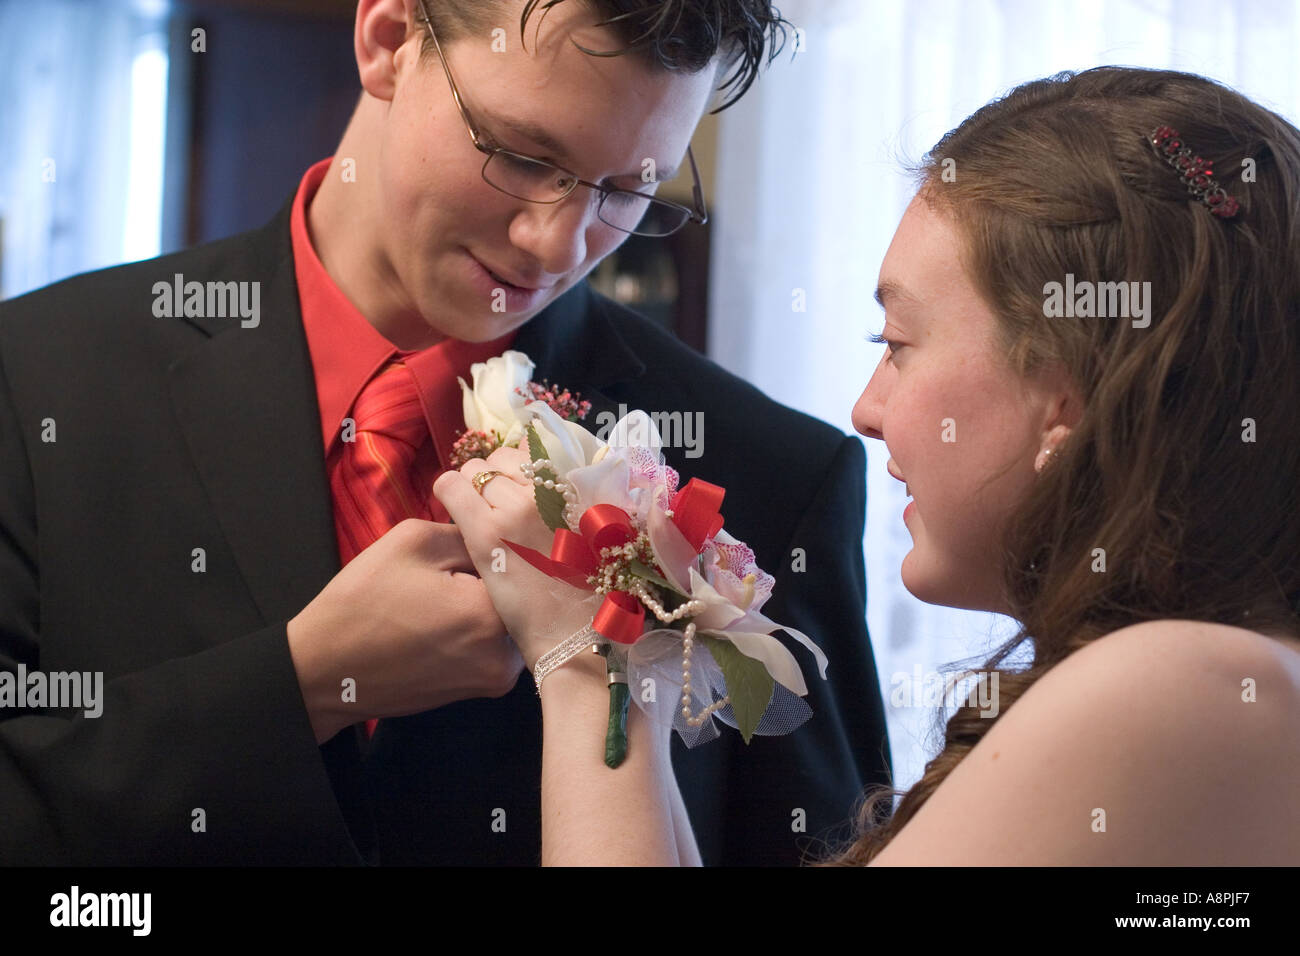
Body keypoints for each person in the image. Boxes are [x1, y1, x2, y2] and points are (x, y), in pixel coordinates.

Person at [0, 0, 892, 865]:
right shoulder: (35, 376)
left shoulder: (773, 476)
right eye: (520, 153)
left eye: (627, 192)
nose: (555, 245)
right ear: (387, 39)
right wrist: (300, 685)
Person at [436, 65, 1300, 865]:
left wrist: (586, 661)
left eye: (898, 344)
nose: (866, 410)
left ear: (1066, 398)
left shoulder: (1178, 688)